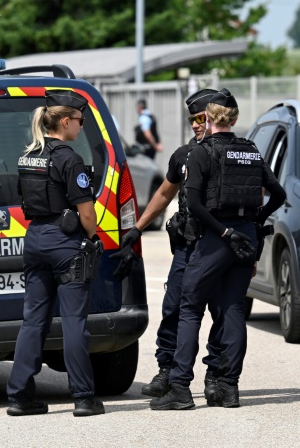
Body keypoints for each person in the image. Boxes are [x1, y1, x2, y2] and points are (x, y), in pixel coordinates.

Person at [150, 89, 286, 410]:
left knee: (190, 308)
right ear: (234, 119)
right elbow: (278, 194)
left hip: (215, 237)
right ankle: (228, 387)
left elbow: (195, 205)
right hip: (245, 239)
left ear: (209, 119)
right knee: (233, 309)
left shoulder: (201, 152)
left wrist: (224, 232)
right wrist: (253, 223)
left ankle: (180, 387)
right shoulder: (250, 151)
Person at [113, 89, 227, 403]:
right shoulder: (184, 154)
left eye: (201, 118)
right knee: (173, 308)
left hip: (219, 247)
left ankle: (216, 375)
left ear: (215, 117)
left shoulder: (230, 152)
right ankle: (168, 370)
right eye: (192, 120)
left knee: (221, 312)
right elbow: (165, 193)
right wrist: (137, 229)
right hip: (188, 246)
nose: (196, 125)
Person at [7, 89, 105, 417]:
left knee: (33, 321)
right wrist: (91, 238)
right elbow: (86, 213)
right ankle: (84, 397)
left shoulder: (28, 155)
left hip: (35, 238)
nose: (81, 125)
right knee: (74, 321)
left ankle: (19, 397)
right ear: (65, 121)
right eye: (80, 120)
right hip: (64, 242)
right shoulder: (69, 159)